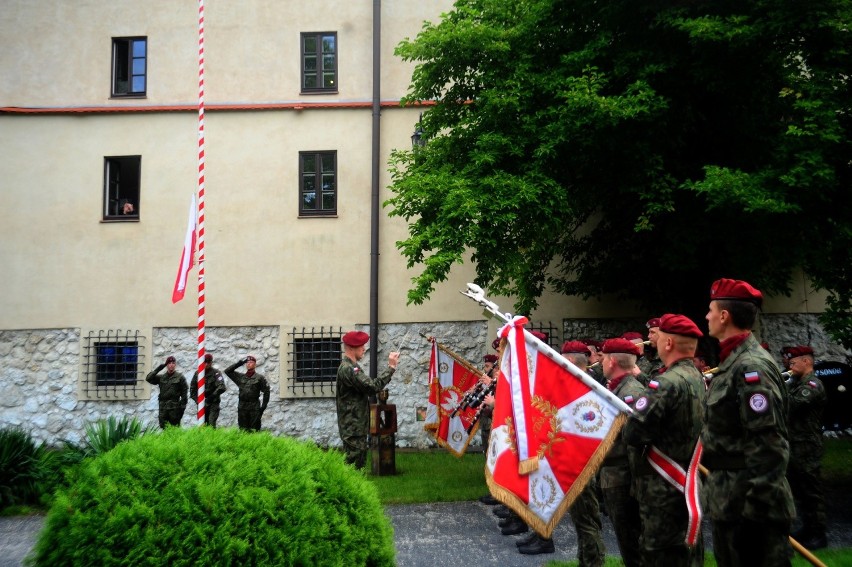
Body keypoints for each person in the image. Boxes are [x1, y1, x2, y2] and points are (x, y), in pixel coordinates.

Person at [702, 278, 794, 567]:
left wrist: (755, 512)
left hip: (749, 508)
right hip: (731, 501)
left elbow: (770, 444)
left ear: (724, 316)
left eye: (710, 310)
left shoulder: (750, 367)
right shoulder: (733, 362)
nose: (706, 316)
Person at [623, 314, 706, 566]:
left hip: (663, 485)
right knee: (686, 551)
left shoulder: (665, 383)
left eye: (659, 337)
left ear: (668, 343)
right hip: (686, 478)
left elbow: (633, 433)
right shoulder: (696, 376)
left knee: (659, 552)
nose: (655, 342)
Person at [514, 340, 608, 560]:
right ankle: (550, 539)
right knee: (558, 504)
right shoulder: (574, 382)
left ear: (570, 360)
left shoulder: (588, 386)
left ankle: (593, 560)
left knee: (586, 519)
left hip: (580, 460)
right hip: (565, 456)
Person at [598, 338, 645, 567]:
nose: (600, 362)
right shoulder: (617, 389)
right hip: (613, 476)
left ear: (612, 361)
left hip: (624, 478)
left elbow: (634, 442)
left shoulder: (631, 393)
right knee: (626, 543)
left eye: (604, 358)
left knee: (632, 544)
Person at [784, 345, 827, 549]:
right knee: (799, 489)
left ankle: (819, 533)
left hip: (807, 446)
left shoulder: (812, 384)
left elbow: (792, 405)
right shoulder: (795, 383)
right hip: (794, 444)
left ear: (806, 361)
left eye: (793, 362)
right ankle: (807, 528)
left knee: (811, 491)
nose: (790, 366)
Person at [335, 330, 399, 469]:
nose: (364, 348)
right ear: (351, 348)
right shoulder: (348, 369)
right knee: (354, 467)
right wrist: (391, 367)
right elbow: (372, 387)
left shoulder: (353, 367)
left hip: (356, 426)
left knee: (357, 465)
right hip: (352, 428)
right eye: (361, 346)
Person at [225, 355, 270, 431]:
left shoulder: (260, 378)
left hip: (254, 406)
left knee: (254, 429)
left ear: (255, 365)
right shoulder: (240, 377)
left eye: (251, 362)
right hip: (242, 406)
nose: (249, 364)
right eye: (247, 362)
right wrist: (239, 363)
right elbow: (227, 371)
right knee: (243, 429)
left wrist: (263, 407)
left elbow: (266, 391)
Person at [478, 353, 500, 506]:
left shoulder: (496, 381)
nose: (486, 369)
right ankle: (494, 491)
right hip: (488, 423)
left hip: (495, 425)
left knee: (495, 458)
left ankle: (497, 494)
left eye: (488, 366)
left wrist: (492, 383)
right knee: (489, 456)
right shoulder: (494, 381)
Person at [145, 355, 188, 429]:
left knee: (175, 429)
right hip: (163, 408)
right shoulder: (161, 377)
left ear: (175, 365)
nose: (171, 365)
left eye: (173, 363)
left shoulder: (180, 377)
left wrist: (182, 409)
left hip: (174, 408)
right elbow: (148, 378)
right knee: (164, 428)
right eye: (169, 363)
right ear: (166, 365)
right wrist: (158, 368)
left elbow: (184, 394)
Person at [190, 353, 227, 427]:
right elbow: (192, 390)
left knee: (211, 424)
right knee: (202, 425)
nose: (206, 364)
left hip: (213, 403)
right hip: (201, 404)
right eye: (205, 362)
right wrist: (198, 401)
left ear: (211, 363)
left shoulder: (216, 373)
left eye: (208, 362)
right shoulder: (198, 374)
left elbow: (222, 387)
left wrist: (211, 397)